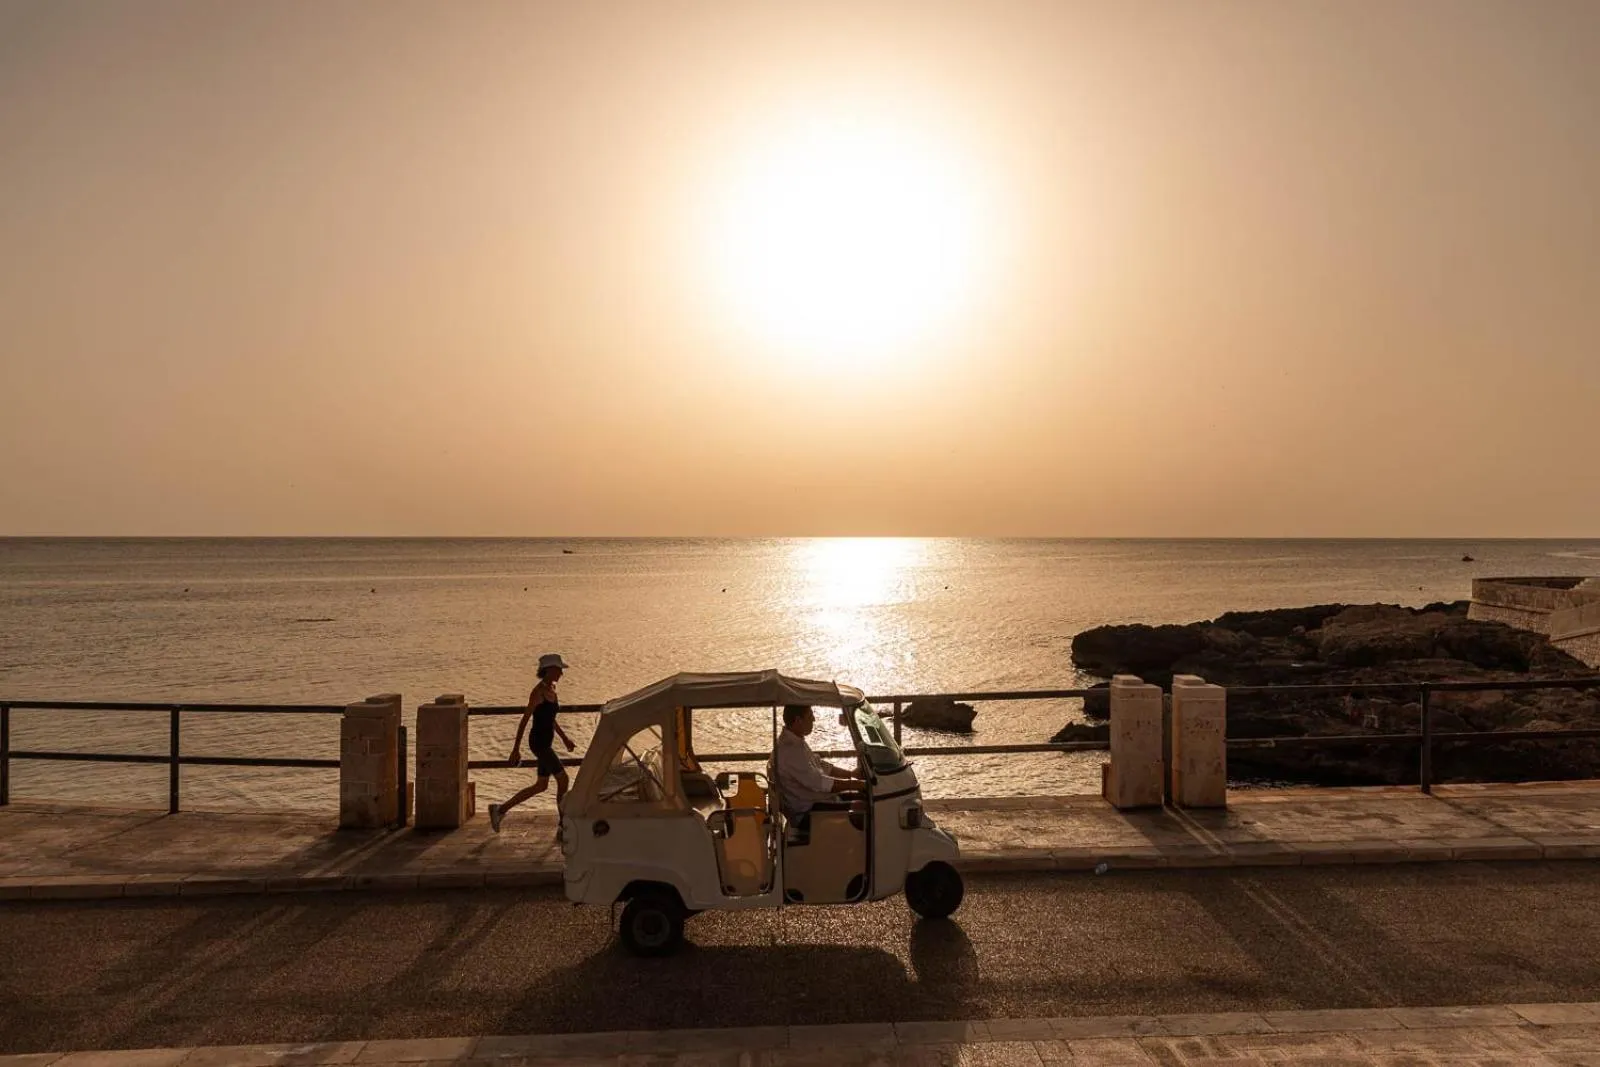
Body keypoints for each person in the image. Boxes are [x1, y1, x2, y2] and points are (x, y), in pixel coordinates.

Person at [489, 653, 576, 836]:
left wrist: (565, 738)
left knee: (541, 785)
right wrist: (515, 750)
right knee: (563, 779)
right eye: (559, 670)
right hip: (539, 743)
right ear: (549, 670)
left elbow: (551, 719)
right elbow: (524, 721)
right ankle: (563, 825)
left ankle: (500, 810)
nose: (561, 673)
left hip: (546, 742)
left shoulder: (552, 689)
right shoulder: (538, 693)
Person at [772, 704, 865, 830]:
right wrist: (855, 784)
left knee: (862, 796)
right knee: (864, 806)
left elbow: (820, 764)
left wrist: (851, 774)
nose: (814, 719)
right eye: (810, 716)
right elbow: (819, 782)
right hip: (809, 811)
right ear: (798, 720)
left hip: (816, 802)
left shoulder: (794, 742)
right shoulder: (790, 750)